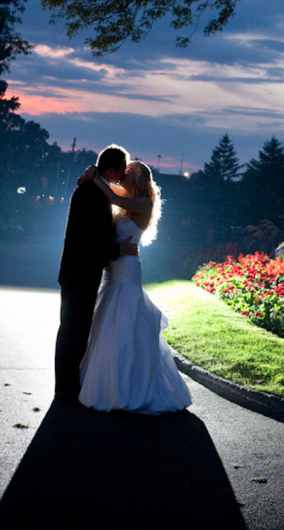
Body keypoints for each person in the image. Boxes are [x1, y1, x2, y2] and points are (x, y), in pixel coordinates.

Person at [77, 160, 192, 414]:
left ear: (140, 179)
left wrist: (96, 178)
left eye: (129, 171)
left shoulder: (143, 203)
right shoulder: (123, 195)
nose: (124, 172)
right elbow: (107, 187)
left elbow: (109, 195)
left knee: (126, 323)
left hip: (128, 270)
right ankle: (107, 383)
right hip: (112, 269)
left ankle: (129, 387)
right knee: (108, 321)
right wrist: (91, 172)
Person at [55, 145, 136, 400]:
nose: (122, 175)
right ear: (110, 169)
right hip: (81, 272)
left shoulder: (93, 186)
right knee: (73, 329)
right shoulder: (91, 192)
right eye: (121, 170)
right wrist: (116, 249)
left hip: (79, 272)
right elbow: (89, 238)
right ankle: (66, 387)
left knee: (74, 328)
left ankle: (67, 384)